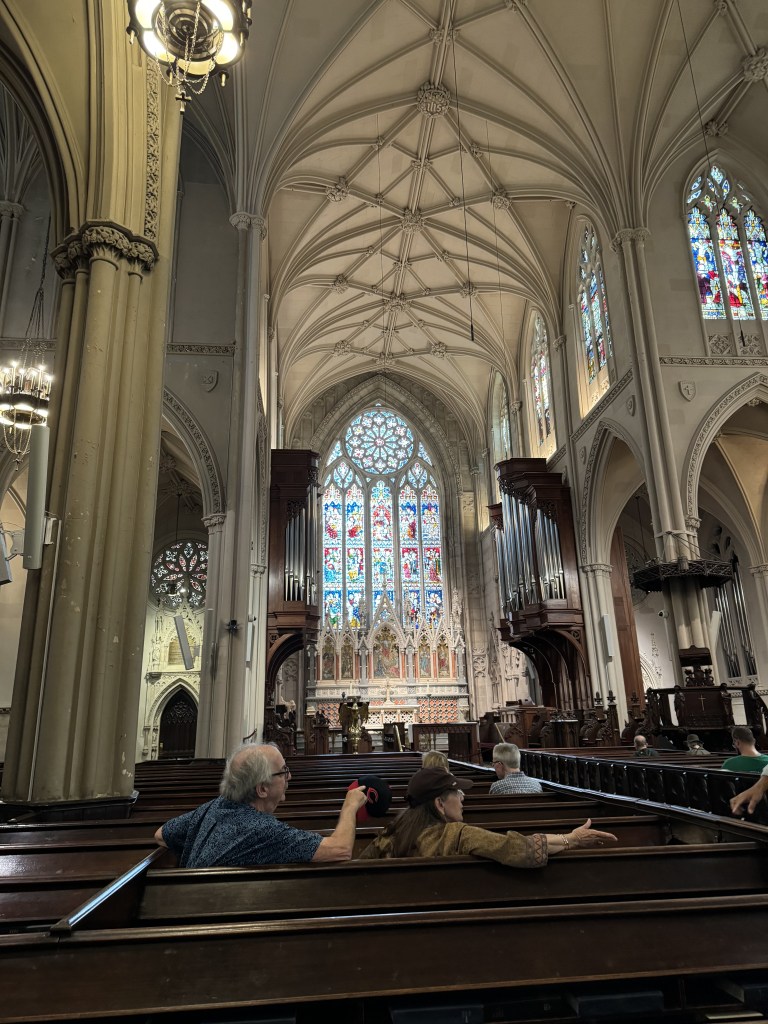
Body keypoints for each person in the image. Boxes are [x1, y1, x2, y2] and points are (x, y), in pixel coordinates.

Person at [154, 743, 368, 867]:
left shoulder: (215, 806)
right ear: (262, 789)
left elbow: (161, 835)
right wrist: (350, 806)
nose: (289, 777)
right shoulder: (261, 830)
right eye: (283, 772)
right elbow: (340, 850)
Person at [359, 768, 617, 867]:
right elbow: (516, 848)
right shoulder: (457, 835)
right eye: (457, 793)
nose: (462, 798)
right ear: (439, 803)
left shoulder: (390, 835)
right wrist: (571, 839)